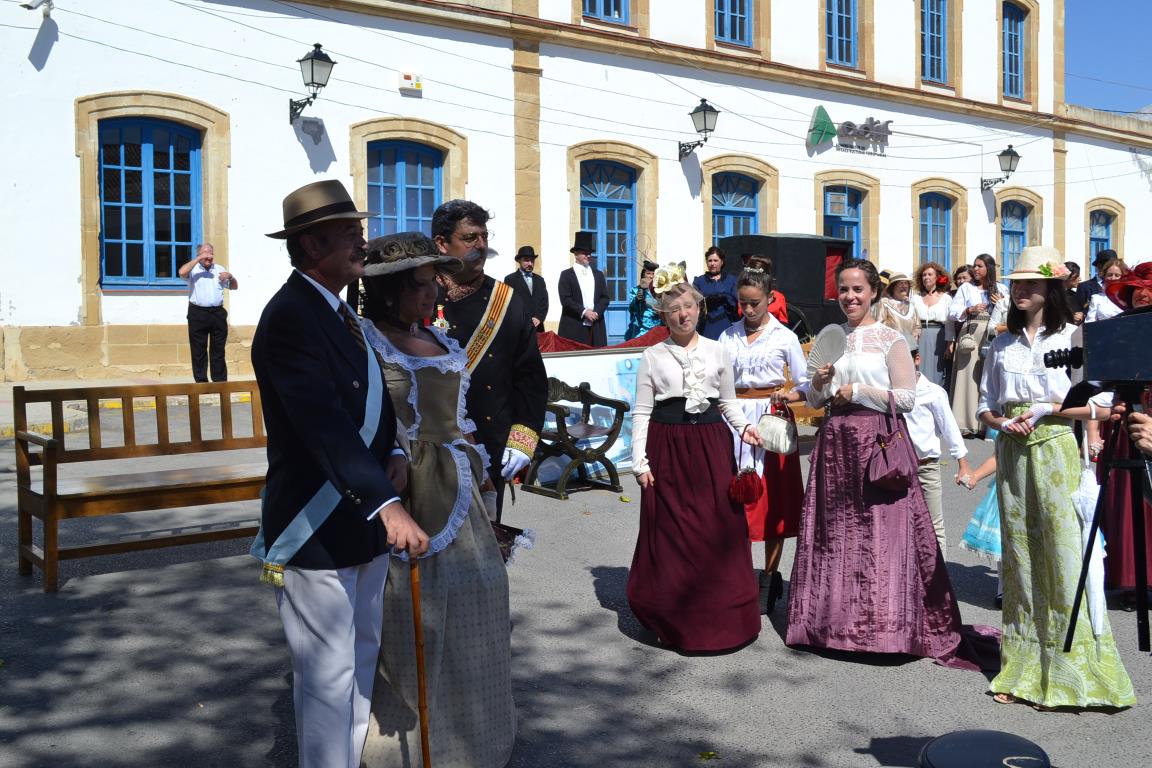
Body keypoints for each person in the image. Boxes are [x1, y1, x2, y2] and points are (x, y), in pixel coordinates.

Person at [253, 179, 430, 768]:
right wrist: (387, 503)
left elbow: (369, 405)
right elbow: (322, 423)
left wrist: (395, 454)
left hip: (359, 517)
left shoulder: (339, 311)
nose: (363, 241)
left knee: (359, 655)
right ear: (311, 244)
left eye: (360, 229)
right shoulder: (290, 316)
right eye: (350, 232)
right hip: (318, 523)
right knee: (326, 673)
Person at [787, 258, 994, 670]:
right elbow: (815, 401)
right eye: (843, 289)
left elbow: (907, 398)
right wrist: (820, 384)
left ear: (873, 293)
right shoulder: (832, 337)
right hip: (835, 445)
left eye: (857, 289)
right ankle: (831, 625)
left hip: (876, 442)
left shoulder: (890, 338)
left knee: (881, 535)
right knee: (835, 534)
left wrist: (859, 390)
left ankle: (883, 629)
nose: (849, 297)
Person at [358, 232, 515, 768]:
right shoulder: (366, 340)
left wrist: (485, 479)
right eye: (421, 285)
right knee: (413, 615)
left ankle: (475, 738)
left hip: (459, 488)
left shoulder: (441, 339)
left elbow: (459, 421)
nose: (433, 294)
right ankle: (406, 749)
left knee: (481, 595)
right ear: (389, 291)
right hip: (406, 488)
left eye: (434, 283)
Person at [977, 246, 1135, 711]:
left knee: (1063, 559)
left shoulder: (1074, 337)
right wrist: (1000, 422)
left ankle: (1069, 672)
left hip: (1057, 452)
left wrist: (1050, 408)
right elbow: (985, 404)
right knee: (1020, 561)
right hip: (1012, 454)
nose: (1020, 290)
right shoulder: (1002, 344)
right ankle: (1023, 668)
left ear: (1051, 288)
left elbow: (1105, 406)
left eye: (1031, 283)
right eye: (1016, 283)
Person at [627, 264, 762, 652]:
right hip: (667, 447)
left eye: (688, 306)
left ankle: (724, 618)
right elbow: (642, 412)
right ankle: (676, 619)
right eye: (674, 309)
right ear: (664, 315)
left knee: (716, 528)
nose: (683, 314)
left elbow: (728, 403)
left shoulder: (718, 350)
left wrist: (745, 428)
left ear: (699, 307)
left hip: (711, 447)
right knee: (673, 533)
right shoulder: (652, 356)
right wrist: (640, 462)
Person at [433, 200, 547, 519]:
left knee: (486, 544)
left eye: (484, 236)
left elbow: (530, 378)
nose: (481, 245)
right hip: (427, 452)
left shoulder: (506, 301)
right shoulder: (419, 295)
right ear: (442, 243)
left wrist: (523, 439)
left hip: (489, 446)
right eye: (470, 237)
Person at [717, 256, 808, 615]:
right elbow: (717, 380)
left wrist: (788, 395)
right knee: (732, 500)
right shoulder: (727, 335)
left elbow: (805, 384)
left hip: (771, 421)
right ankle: (737, 576)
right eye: (743, 302)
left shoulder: (784, 337)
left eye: (755, 302)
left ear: (770, 298)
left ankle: (769, 580)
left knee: (773, 504)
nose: (749, 309)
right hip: (734, 418)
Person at [1095, 264, 1152, 603]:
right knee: (1127, 497)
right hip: (1126, 413)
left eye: (1148, 289)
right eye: (1137, 289)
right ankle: (1128, 578)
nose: (1142, 294)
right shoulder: (1121, 328)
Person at [905, 347, 971, 550]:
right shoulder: (888, 390)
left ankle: (939, 569)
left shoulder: (932, 392)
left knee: (933, 526)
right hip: (897, 468)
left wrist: (963, 464)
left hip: (926, 467)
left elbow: (949, 428)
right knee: (902, 525)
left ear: (916, 359)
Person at [949, 254, 1007, 436]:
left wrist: (1001, 304)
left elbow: (1011, 311)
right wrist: (970, 309)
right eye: (974, 266)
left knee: (989, 377)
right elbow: (952, 311)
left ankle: (988, 426)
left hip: (994, 332)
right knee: (968, 377)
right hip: (972, 333)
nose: (975, 269)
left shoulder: (1002, 288)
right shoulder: (966, 288)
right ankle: (966, 422)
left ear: (988, 268)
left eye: (979, 266)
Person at [178, 243, 237, 382]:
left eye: (211, 253)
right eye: (205, 254)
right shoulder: (193, 269)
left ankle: (220, 381)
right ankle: (201, 382)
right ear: (199, 255)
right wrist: (198, 259)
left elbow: (234, 287)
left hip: (217, 313)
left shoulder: (219, 269)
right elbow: (181, 272)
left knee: (218, 350)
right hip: (197, 313)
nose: (209, 257)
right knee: (198, 350)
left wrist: (231, 276)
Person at [556, 230, 610, 347]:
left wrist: (596, 313)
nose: (588, 256)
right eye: (585, 253)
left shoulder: (598, 274)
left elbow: (605, 298)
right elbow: (565, 299)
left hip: (596, 326)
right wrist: (584, 312)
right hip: (574, 325)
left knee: (597, 356)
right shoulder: (566, 275)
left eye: (589, 253)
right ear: (576, 254)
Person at [911, 262, 954, 389]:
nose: (926, 277)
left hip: (939, 338)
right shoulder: (915, 298)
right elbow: (911, 321)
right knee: (919, 368)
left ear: (937, 277)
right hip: (919, 337)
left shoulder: (946, 298)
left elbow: (949, 323)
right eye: (924, 275)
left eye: (930, 274)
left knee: (937, 371)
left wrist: (950, 344)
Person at [692, 246, 739, 340]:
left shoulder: (732, 280)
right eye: (710, 261)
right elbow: (695, 303)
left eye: (715, 260)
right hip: (706, 326)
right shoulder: (699, 281)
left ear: (722, 262)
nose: (712, 263)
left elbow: (735, 304)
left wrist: (725, 296)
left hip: (726, 324)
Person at [504, 245, 549, 332]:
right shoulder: (510, 279)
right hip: (519, 328)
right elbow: (508, 304)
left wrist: (539, 317)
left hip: (537, 328)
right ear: (519, 261)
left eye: (532, 260)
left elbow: (544, 303)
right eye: (526, 260)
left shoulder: (540, 280)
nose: (530, 264)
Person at [875, 270, 920, 343]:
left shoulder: (911, 306)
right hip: (892, 345)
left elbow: (918, 326)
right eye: (900, 283)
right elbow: (880, 326)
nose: (904, 286)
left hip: (910, 346)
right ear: (892, 287)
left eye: (906, 283)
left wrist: (916, 332)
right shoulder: (885, 303)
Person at [624, 259, 662, 340]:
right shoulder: (636, 290)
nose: (651, 276)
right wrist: (637, 299)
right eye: (648, 273)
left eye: (653, 274)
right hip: (640, 327)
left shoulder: (661, 290)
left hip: (657, 326)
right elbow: (631, 308)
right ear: (643, 275)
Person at [1073, 248, 1118, 316]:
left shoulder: (1122, 286)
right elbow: (1078, 310)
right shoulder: (1084, 287)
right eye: (1108, 266)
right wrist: (1081, 315)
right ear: (1099, 266)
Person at [1084, 257, 1129, 323]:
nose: (1113, 278)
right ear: (1104, 277)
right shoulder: (1097, 298)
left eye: (1117, 275)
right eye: (1109, 275)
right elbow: (1089, 323)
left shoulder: (1129, 298)